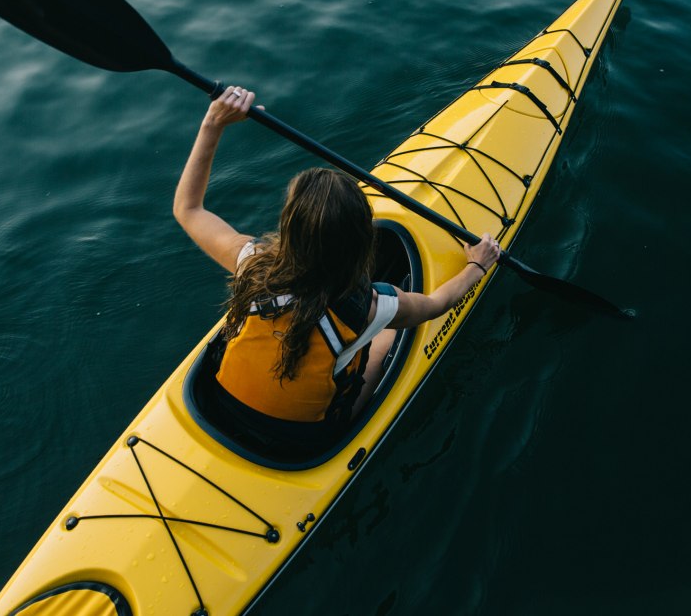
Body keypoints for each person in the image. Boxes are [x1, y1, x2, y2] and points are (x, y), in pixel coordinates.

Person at [173, 85, 500, 436]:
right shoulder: (374, 307)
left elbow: (188, 209)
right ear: (362, 242)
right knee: (387, 339)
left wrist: (213, 123)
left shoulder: (253, 263)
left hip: (221, 405)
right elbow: (437, 304)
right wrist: (477, 266)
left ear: (290, 228)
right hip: (298, 440)